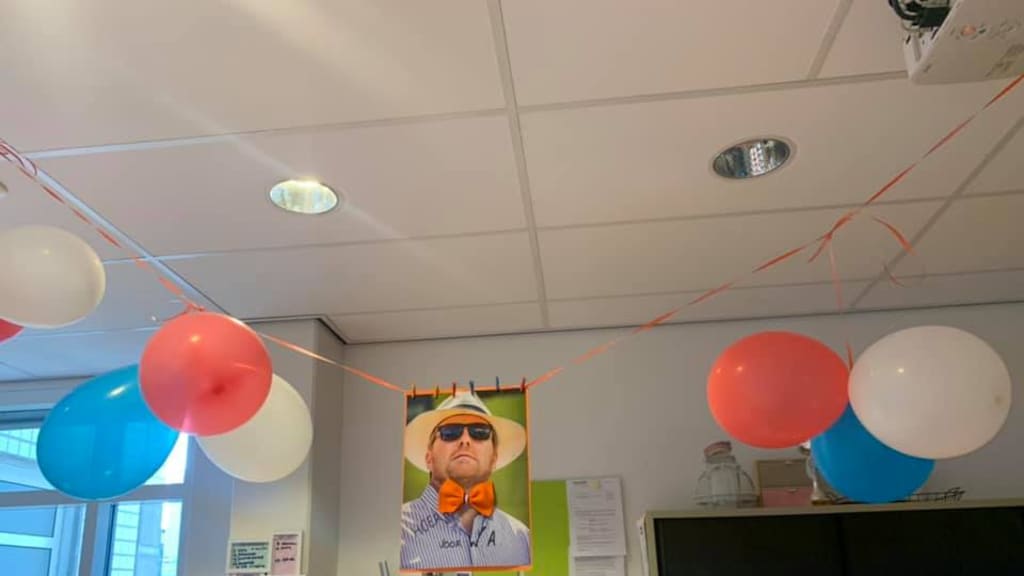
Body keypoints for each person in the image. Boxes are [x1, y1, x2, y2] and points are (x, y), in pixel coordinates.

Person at [400, 391, 531, 571]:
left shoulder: (521, 538)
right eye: (450, 432)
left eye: (480, 432)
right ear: (429, 458)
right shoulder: (396, 532)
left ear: (494, 459)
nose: (465, 440)